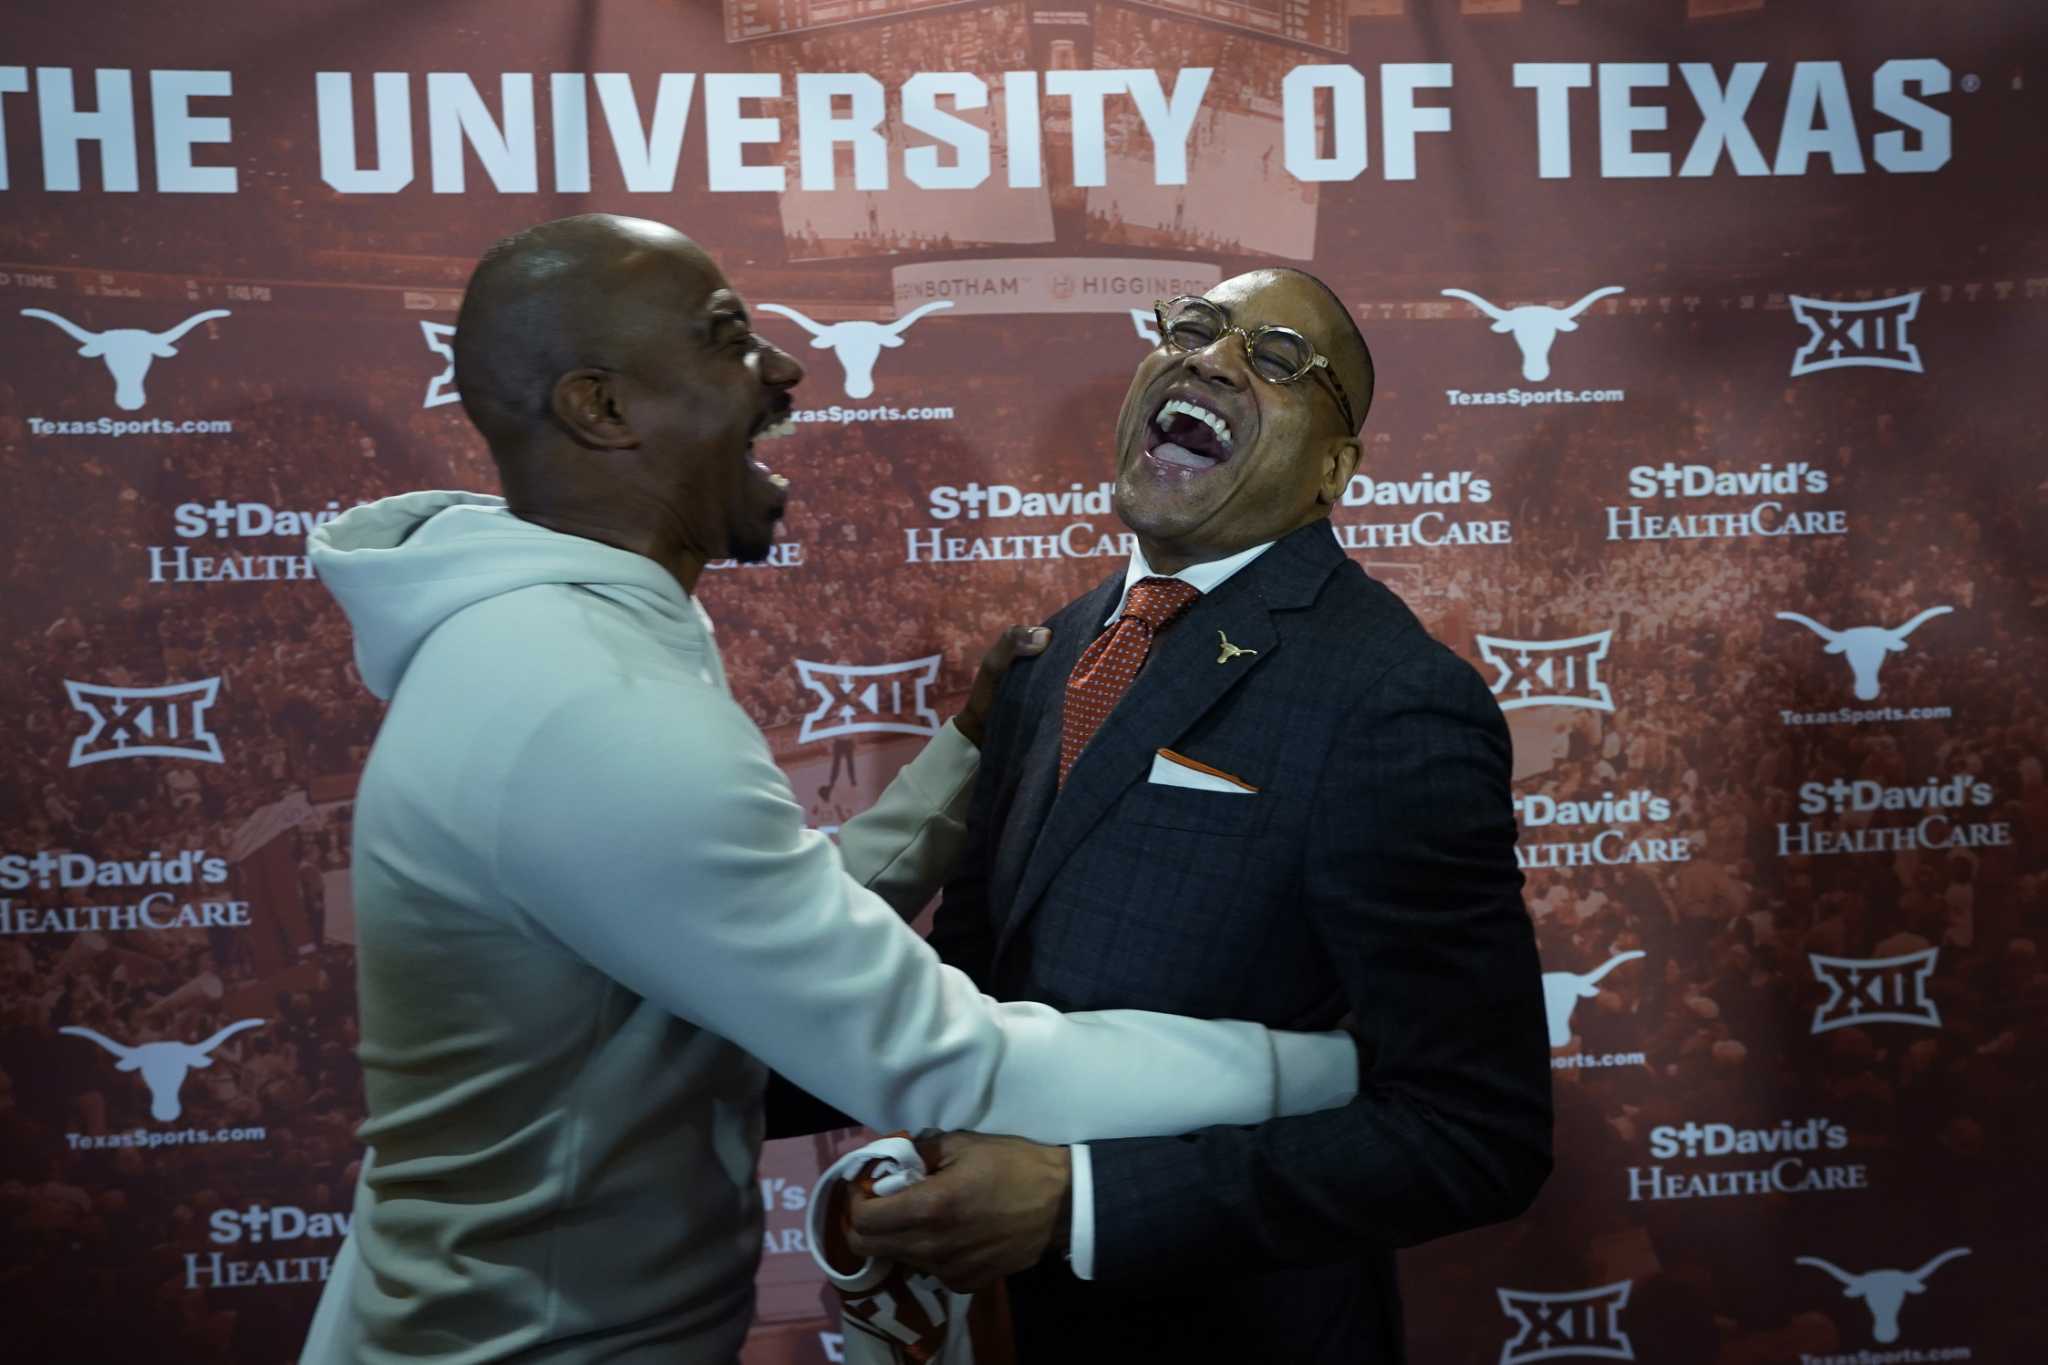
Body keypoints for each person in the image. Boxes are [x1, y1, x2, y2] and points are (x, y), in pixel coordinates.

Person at [296, 217, 1360, 1364]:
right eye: (726, 339)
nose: (784, 367)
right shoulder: (586, 704)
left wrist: (964, 752)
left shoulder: (563, 644)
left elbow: (747, 928)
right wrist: (1348, 1065)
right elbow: (942, 1054)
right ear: (603, 410)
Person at [844, 271, 1554, 1362]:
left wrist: (1082, 1201)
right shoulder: (1049, 656)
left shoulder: (1388, 695)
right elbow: (978, 984)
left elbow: (1474, 1132)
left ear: (1333, 470)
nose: (1209, 358)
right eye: (1190, 327)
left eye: (1274, 359)